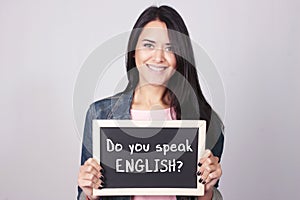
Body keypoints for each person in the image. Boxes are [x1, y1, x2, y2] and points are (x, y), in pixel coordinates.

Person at [77, 5, 224, 200]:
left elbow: (208, 195)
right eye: (148, 45)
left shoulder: (206, 121)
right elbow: (85, 194)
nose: (158, 57)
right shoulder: (100, 114)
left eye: (170, 48)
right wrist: (89, 194)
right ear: (133, 51)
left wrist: (207, 192)